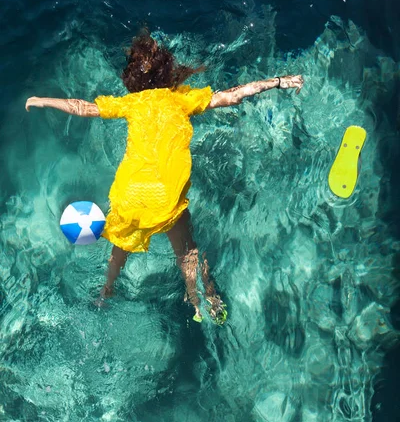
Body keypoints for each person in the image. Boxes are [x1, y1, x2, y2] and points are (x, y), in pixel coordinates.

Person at [25, 29, 303, 324]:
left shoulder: (131, 104)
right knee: (188, 251)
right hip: (167, 199)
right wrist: (278, 81)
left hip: (130, 198)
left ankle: (106, 292)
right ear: (167, 70)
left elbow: (84, 108)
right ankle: (202, 300)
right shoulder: (182, 99)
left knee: (119, 249)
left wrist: (43, 100)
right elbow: (232, 96)